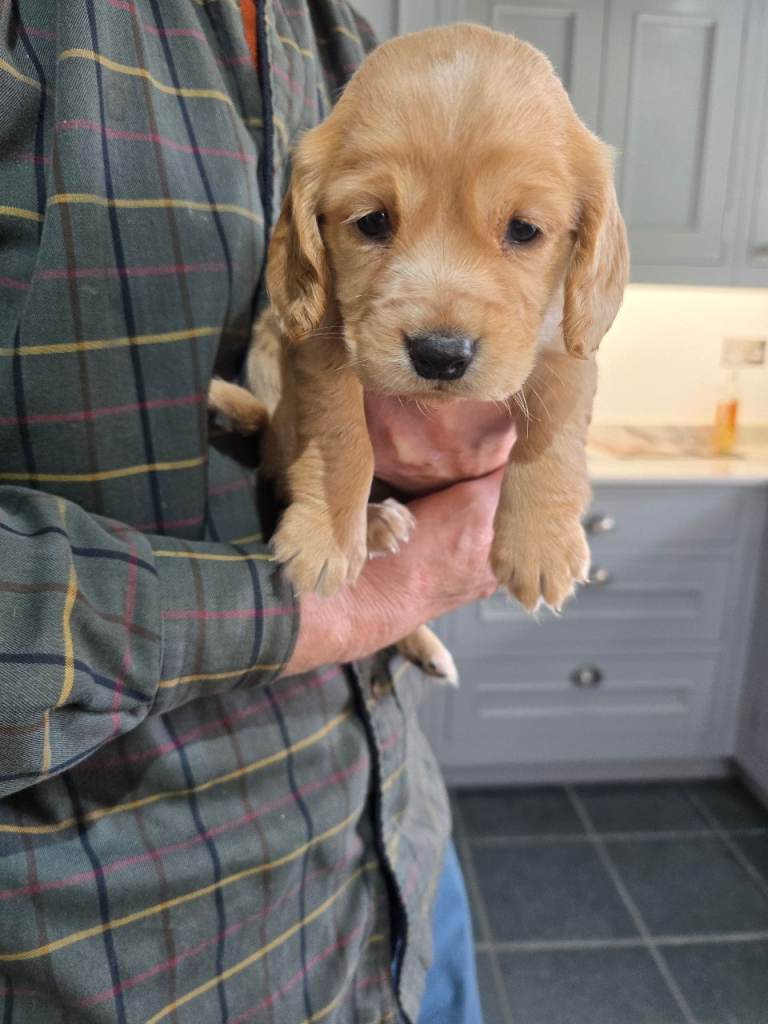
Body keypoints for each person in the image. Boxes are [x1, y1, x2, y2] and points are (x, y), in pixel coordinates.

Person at [0, 2, 516, 1021]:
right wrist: (370, 598)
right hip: (136, 948)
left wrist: (466, 434)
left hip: (398, 857)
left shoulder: (348, 40)